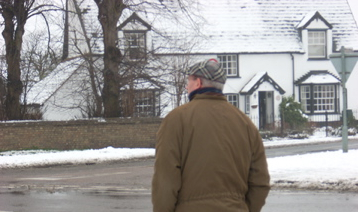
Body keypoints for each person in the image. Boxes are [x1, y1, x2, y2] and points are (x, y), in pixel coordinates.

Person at [152, 58, 270, 212]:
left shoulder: (176, 119)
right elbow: (260, 181)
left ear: (198, 83)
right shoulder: (245, 123)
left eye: (189, 81)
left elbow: (166, 178)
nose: (187, 86)